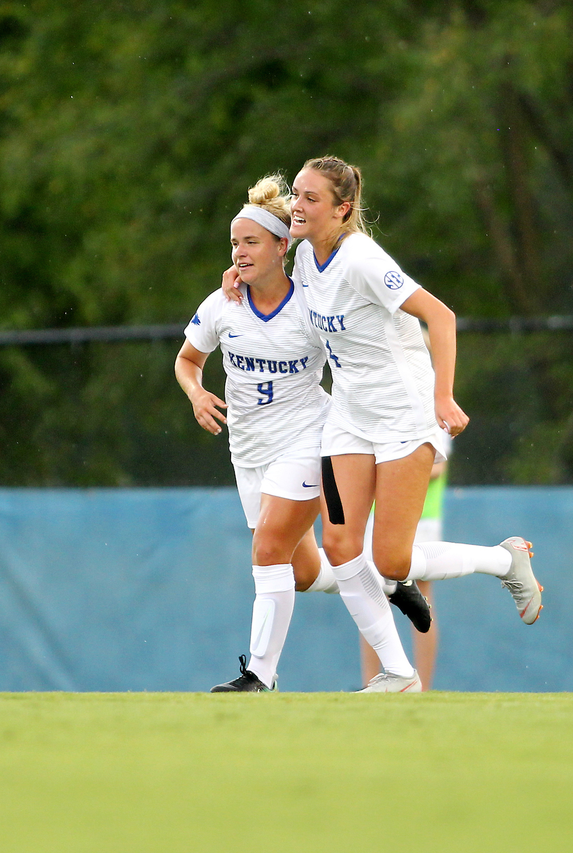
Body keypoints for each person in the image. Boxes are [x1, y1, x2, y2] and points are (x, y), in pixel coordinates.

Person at [277, 156, 543, 693]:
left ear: (342, 209)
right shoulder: (305, 255)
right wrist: (235, 280)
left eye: (310, 198)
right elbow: (262, 260)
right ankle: (398, 673)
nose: (296, 206)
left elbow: (440, 316)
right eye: (295, 194)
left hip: (403, 411)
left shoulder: (362, 258)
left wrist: (443, 396)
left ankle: (503, 559)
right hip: (350, 412)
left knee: (391, 560)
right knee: (339, 543)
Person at [177, 175, 428, 694]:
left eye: (251, 242)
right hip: (248, 452)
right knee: (306, 572)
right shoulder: (224, 302)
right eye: (234, 244)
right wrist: (197, 393)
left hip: (309, 438)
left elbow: (366, 338)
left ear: (280, 246)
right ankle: (405, 578)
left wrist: (409, 405)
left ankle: (260, 676)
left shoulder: (310, 304)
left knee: (268, 549)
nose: (240, 253)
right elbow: (186, 361)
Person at [360, 454, 448, 687]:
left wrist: (391, 472)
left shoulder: (436, 416)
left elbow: (437, 467)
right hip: (378, 515)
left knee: (423, 599)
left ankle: (423, 686)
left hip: (421, 517)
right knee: (370, 596)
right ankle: (372, 682)